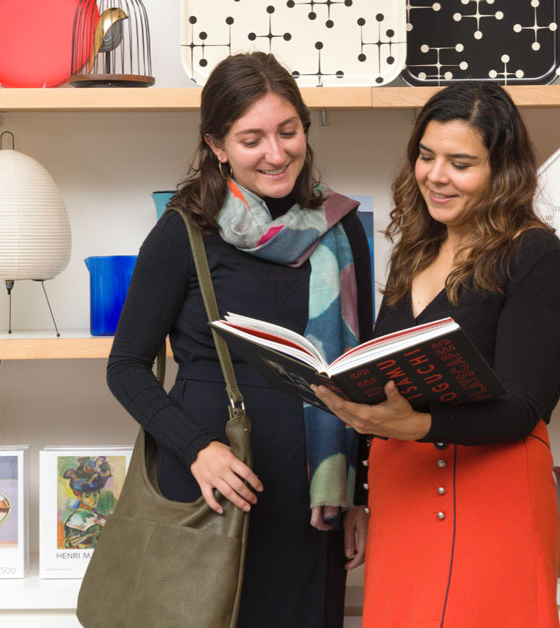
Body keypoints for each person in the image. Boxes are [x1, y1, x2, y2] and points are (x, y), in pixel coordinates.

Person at [107, 52, 372, 628]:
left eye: (288, 131)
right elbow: (125, 366)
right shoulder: (183, 229)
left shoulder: (343, 226)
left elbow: (361, 373)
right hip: (212, 486)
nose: (276, 154)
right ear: (217, 145)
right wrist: (197, 450)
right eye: (252, 140)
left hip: (314, 498)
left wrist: (361, 495)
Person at [311, 82, 560, 627]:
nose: (436, 175)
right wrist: (360, 493)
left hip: (491, 494)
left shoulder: (534, 254)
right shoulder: (415, 250)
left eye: (461, 163)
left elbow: (523, 405)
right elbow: (382, 377)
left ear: (503, 171)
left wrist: (418, 425)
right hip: (402, 494)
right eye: (426, 156)